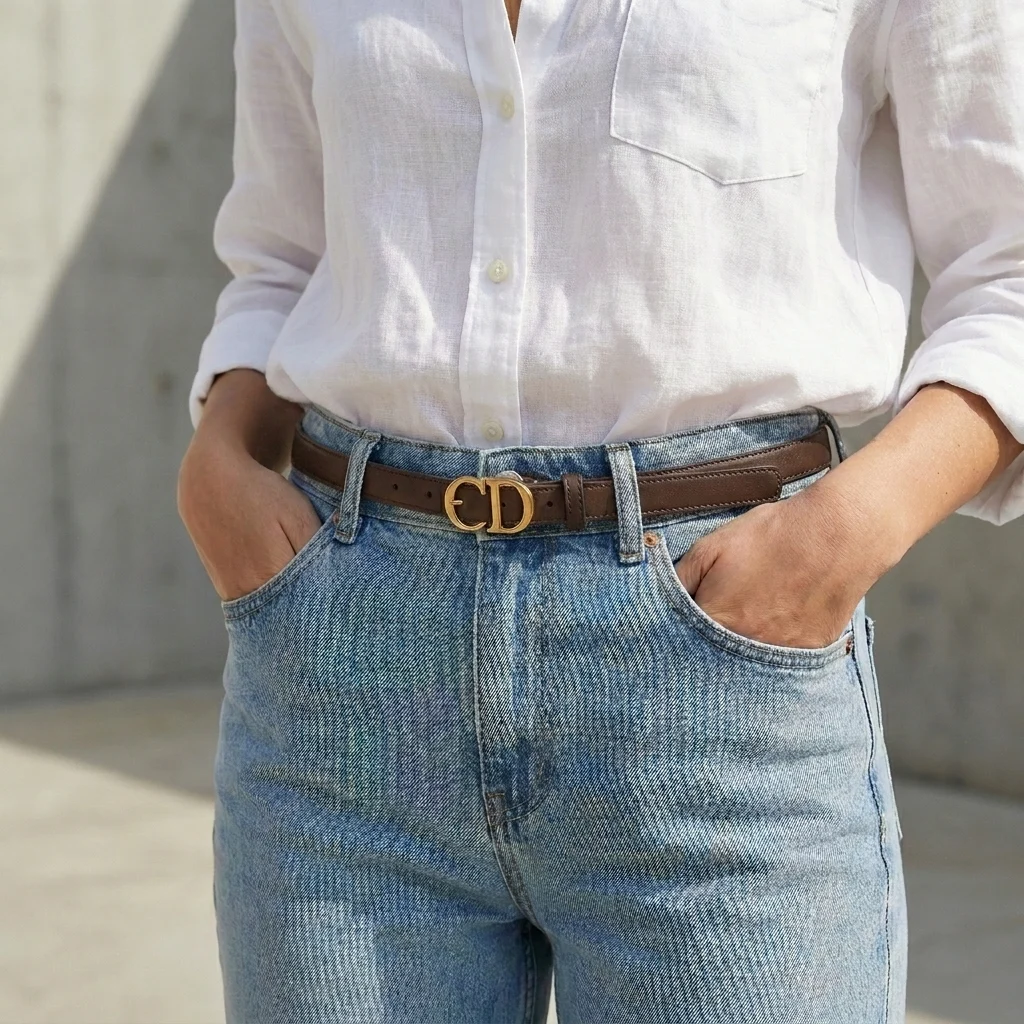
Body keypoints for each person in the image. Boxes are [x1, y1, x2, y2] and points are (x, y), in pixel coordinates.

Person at [177, 1, 1024, 1021]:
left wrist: (843, 533)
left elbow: (1010, 273)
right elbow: (283, 258)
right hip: (343, 671)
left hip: (716, 653)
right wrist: (220, 458)